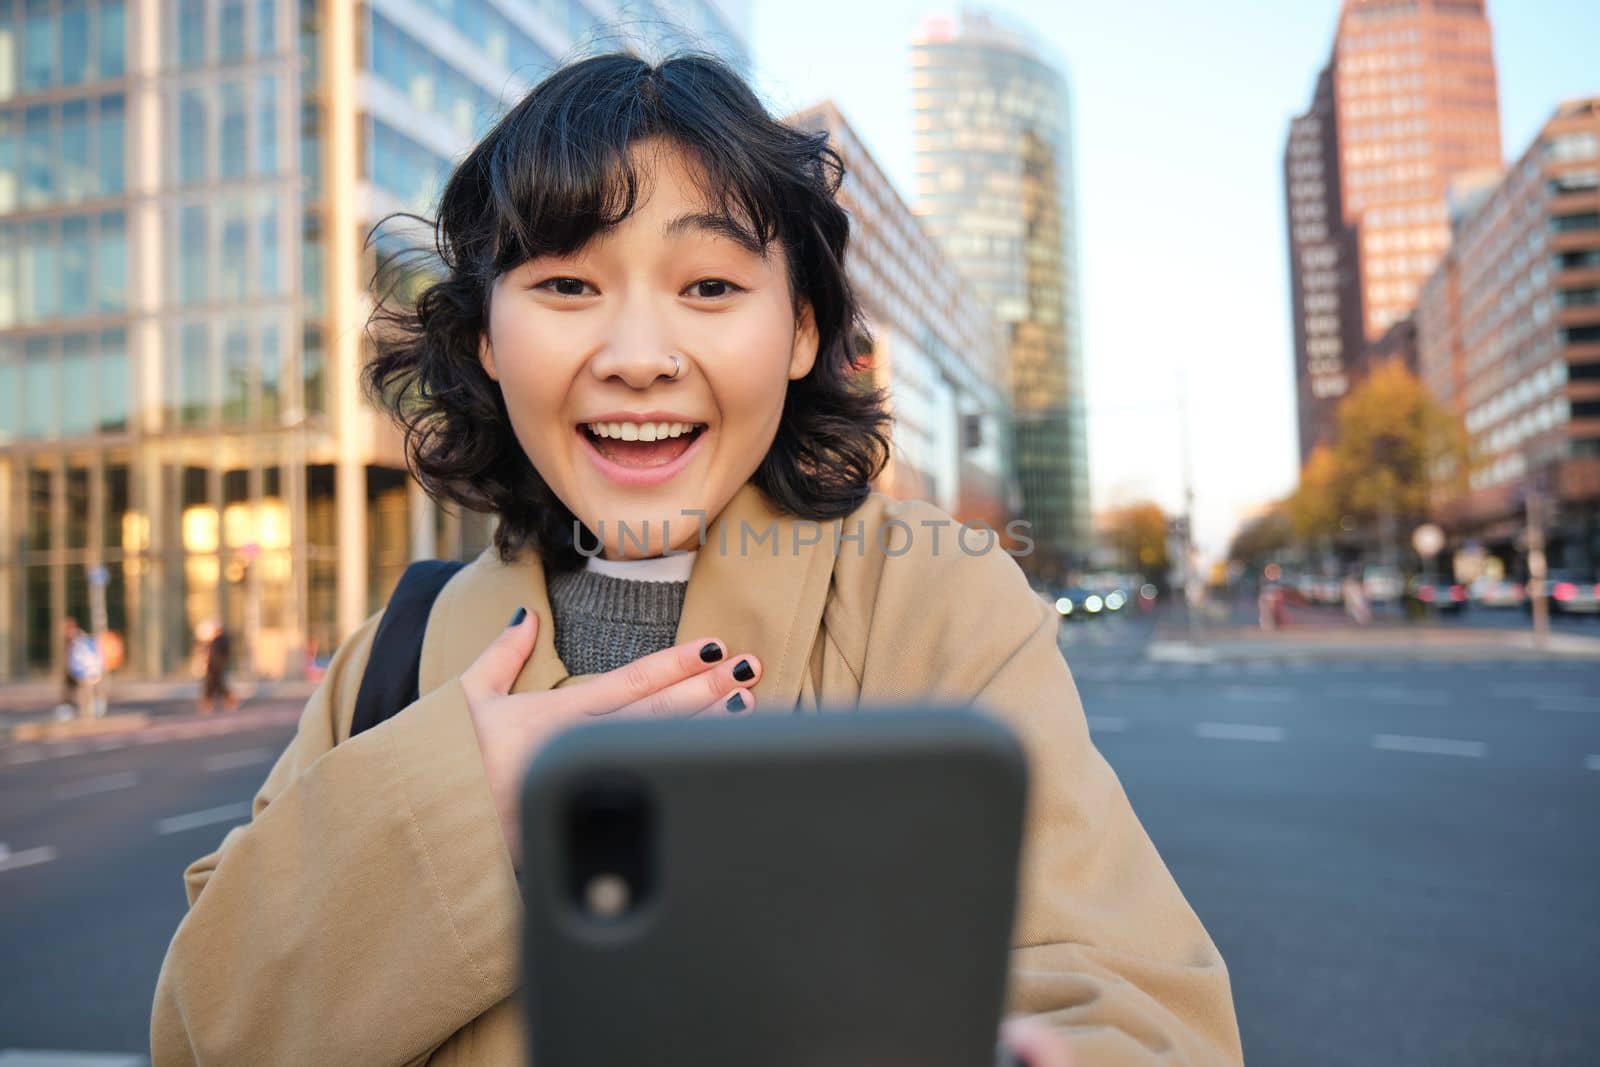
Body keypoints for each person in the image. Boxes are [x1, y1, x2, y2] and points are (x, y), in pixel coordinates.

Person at [151, 52, 1241, 1066]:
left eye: (710, 288)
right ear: (486, 337)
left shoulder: (931, 595)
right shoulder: (393, 654)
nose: (636, 358)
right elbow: (200, 1027)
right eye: (566, 286)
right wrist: (453, 804)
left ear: (803, 330)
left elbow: (1129, 997)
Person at [198, 620, 237, 716]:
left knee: (216, 685)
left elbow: (223, 654)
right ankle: (209, 703)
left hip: (217, 666)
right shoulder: (215, 640)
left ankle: (210, 703)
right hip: (213, 666)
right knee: (213, 685)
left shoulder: (221, 639)